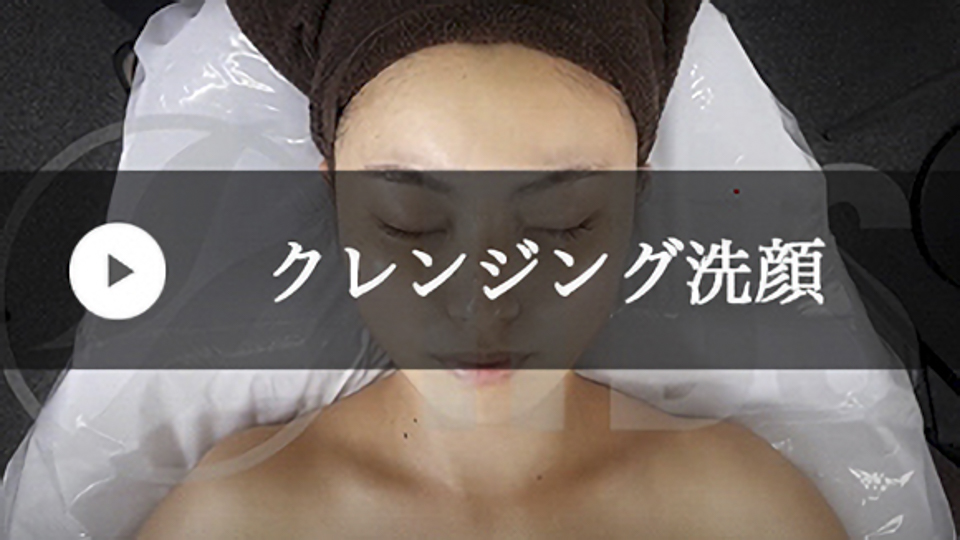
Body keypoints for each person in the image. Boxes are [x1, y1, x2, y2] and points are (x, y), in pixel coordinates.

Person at [136, 1, 850, 538]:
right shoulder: (234, 518)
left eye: (563, 224)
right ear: (336, 202)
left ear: (635, 203)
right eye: (410, 224)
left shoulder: (745, 513)